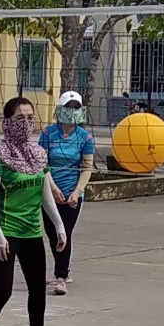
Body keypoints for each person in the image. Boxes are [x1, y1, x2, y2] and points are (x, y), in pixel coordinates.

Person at [0, 94, 67, 326]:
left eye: (29, 118)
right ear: (7, 122)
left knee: (37, 287)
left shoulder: (38, 155)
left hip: (31, 232)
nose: (25, 123)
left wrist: (59, 226)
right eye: (19, 118)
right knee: (2, 290)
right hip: (5, 232)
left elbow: (45, 194)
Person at [40, 89, 98, 294]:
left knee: (64, 232)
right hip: (49, 191)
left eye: (76, 107)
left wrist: (77, 191)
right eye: (68, 107)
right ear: (60, 109)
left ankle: (61, 276)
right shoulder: (48, 134)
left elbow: (87, 168)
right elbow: (42, 164)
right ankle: (62, 268)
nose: (72, 111)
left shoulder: (85, 138)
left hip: (73, 193)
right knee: (52, 233)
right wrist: (53, 189)